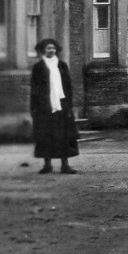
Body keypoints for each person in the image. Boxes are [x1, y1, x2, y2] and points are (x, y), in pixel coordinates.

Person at [30, 38, 78, 174]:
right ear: (43, 50)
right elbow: (35, 89)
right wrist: (34, 108)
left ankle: (65, 165)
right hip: (45, 106)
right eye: (48, 48)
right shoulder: (38, 67)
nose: (51, 51)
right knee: (46, 134)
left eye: (53, 48)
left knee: (64, 135)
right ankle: (47, 165)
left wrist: (69, 105)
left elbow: (67, 87)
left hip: (61, 104)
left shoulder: (62, 65)